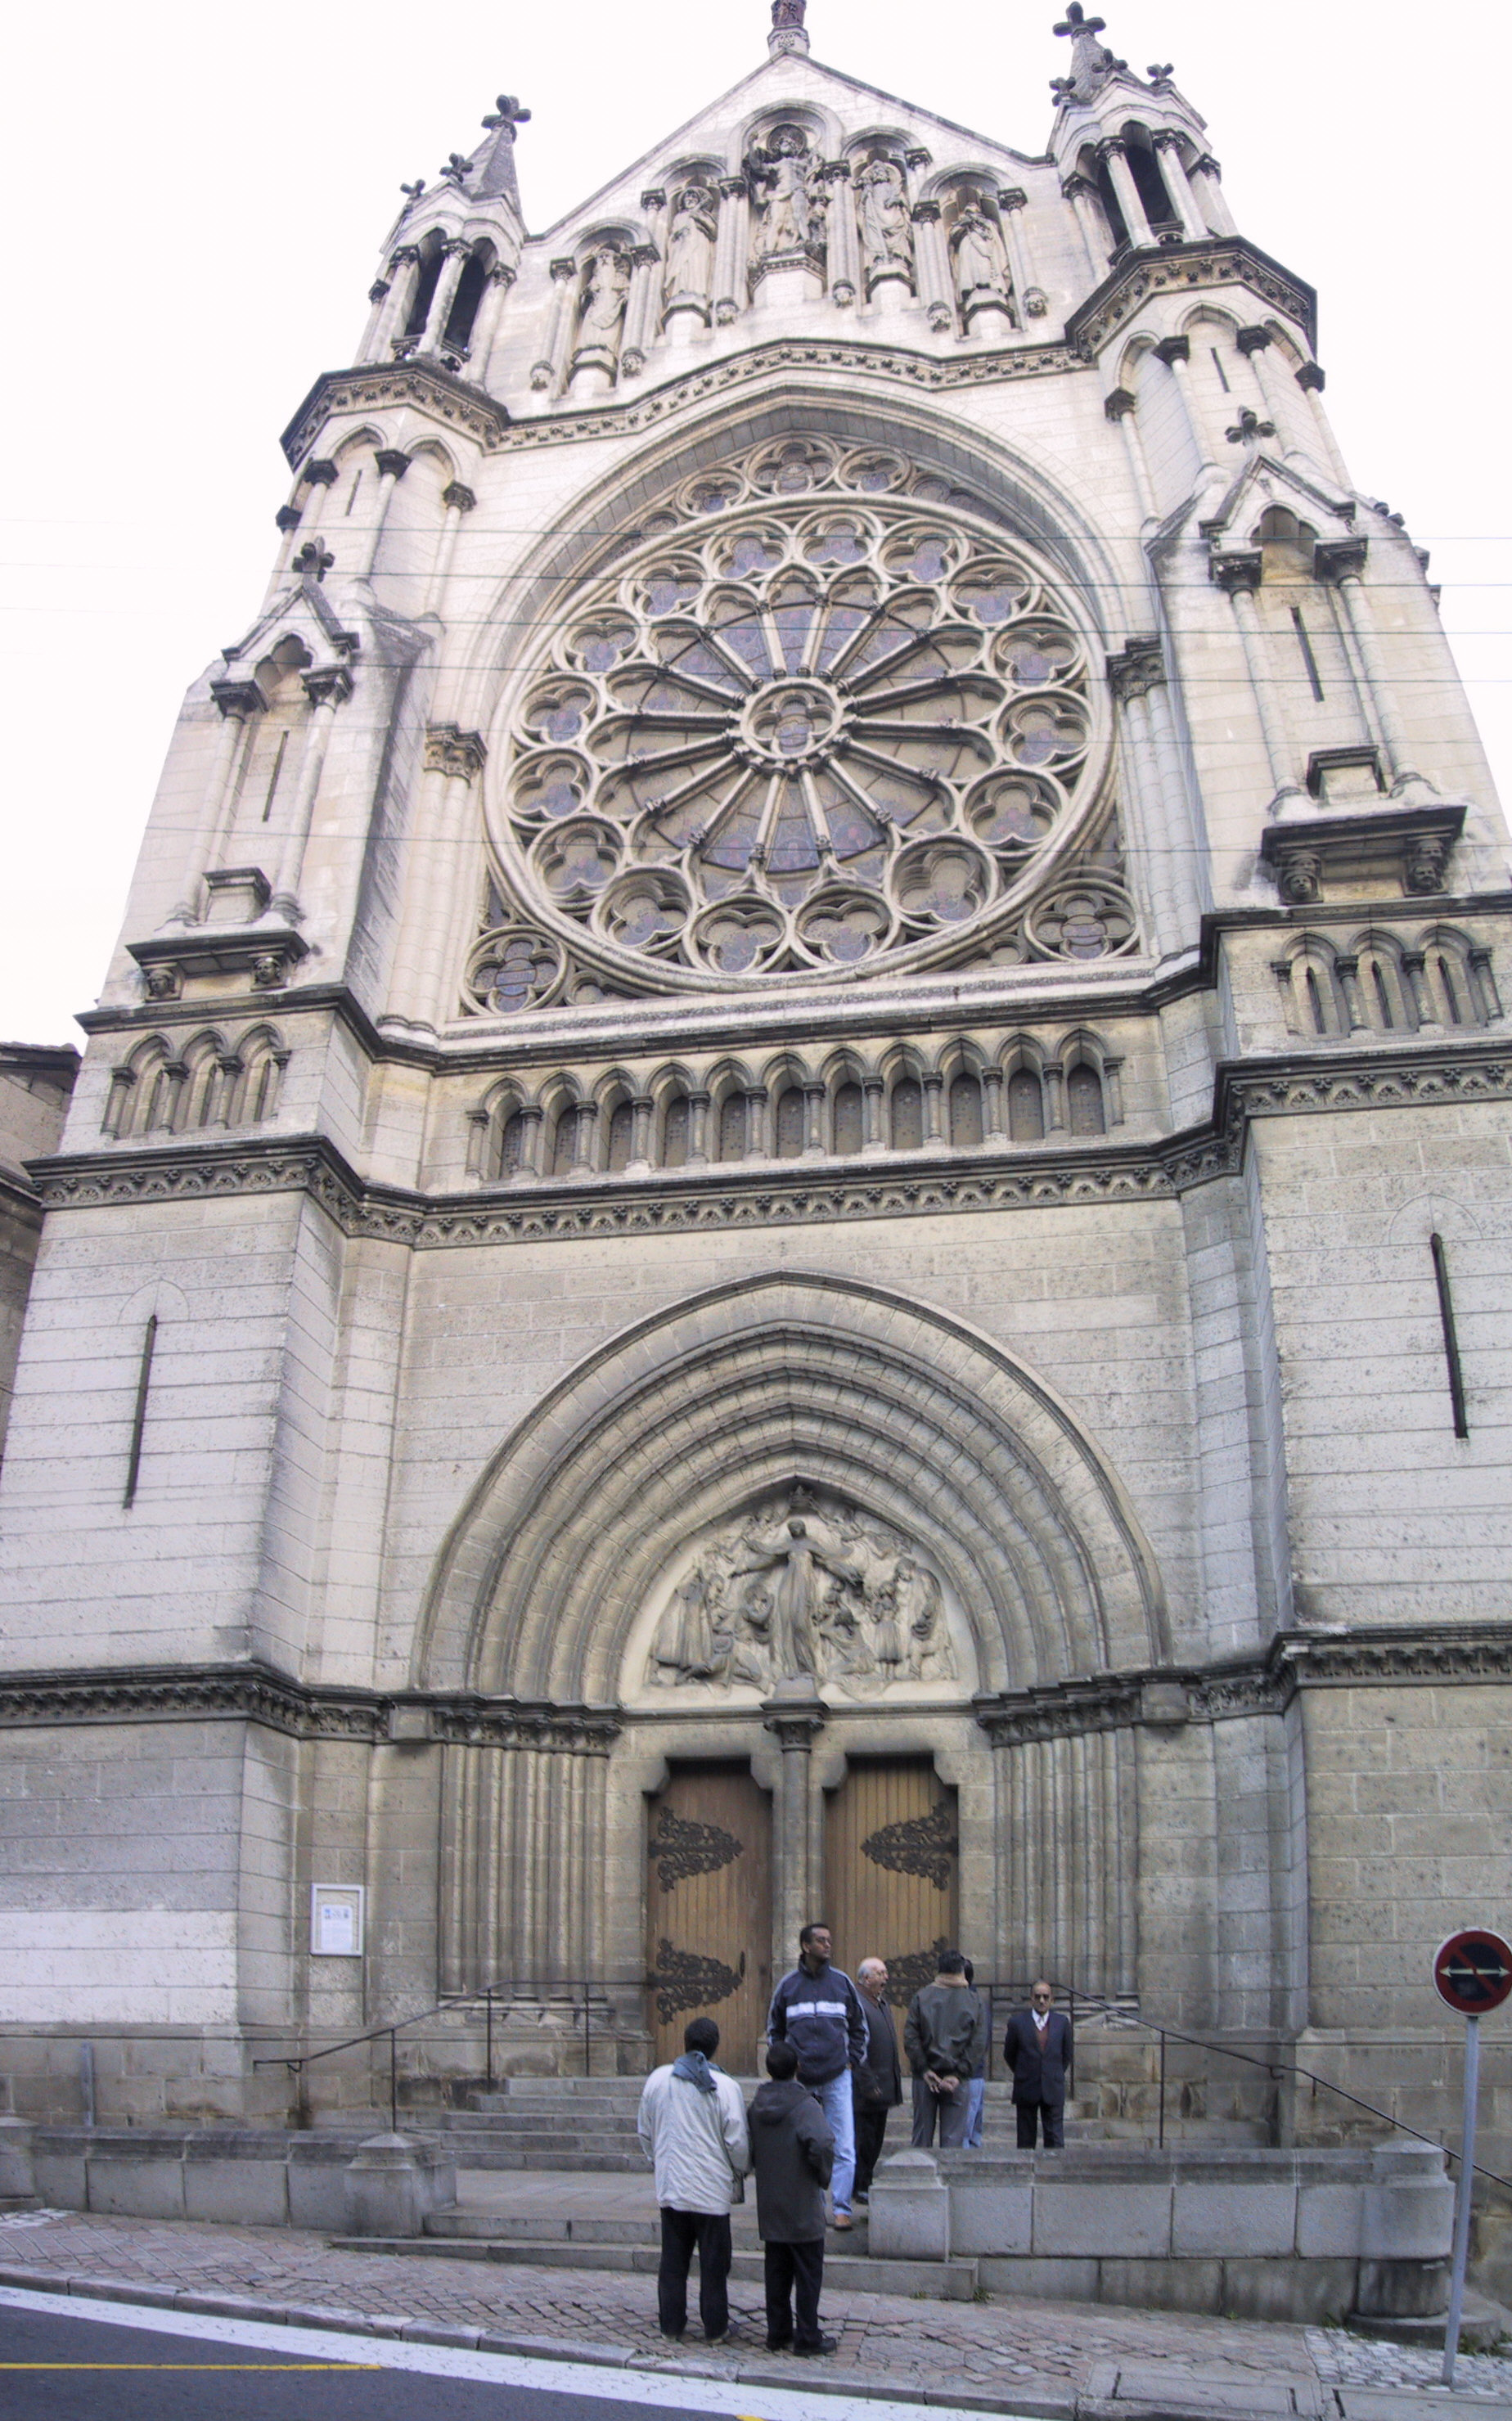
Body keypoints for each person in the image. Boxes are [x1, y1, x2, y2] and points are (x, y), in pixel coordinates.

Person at [637, 2015, 750, 2342]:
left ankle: (671, 2325)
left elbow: (645, 2130)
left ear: (684, 2043)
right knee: (714, 2265)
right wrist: (740, 2169)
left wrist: (659, 2160)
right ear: (715, 2047)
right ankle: (715, 2328)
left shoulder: (658, 2080)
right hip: (711, 2191)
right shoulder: (726, 2087)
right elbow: (737, 2140)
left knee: (673, 2261)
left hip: (673, 2186)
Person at [767, 1921, 866, 2229]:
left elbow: (859, 2027)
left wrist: (852, 2061)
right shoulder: (788, 1986)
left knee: (843, 2144)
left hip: (837, 2075)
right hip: (800, 2081)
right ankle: (810, 2206)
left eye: (829, 1940)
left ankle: (841, 2208)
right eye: (821, 1940)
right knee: (802, 2144)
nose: (827, 1945)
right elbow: (775, 2031)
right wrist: (785, 2067)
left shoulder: (842, 1983)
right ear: (806, 1946)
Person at [749, 2039, 837, 2356]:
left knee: (777, 2272)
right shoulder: (804, 2105)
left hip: (771, 2201)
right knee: (808, 2275)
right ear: (798, 2068)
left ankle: (778, 2332)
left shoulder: (756, 2106)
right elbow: (823, 2143)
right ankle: (808, 2336)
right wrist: (822, 2176)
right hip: (801, 2203)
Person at [904, 1948, 986, 2149]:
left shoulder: (922, 1997)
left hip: (925, 2079)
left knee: (921, 2140)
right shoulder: (974, 2001)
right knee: (953, 2141)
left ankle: (920, 2170)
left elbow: (911, 2037)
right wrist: (959, 2074)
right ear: (961, 1971)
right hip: (956, 2080)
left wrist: (924, 2069)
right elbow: (978, 2043)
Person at [851, 1956, 902, 2201]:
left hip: (883, 2086)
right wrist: (868, 2082)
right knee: (864, 2140)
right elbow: (857, 2049)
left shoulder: (881, 2004)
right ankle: (859, 2185)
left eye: (885, 1973)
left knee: (875, 2139)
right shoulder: (858, 2005)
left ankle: (866, 2180)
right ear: (866, 1978)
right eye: (880, 1973)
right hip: (866, 2090)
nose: (886, 1978)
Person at [1003, 1978, 1073, 2149]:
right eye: (1038, 1996)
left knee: (1055, 2139)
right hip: (1027, 2086)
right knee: (1025, 2140)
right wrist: (1024, 2071)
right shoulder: (1017, 2023)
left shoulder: (1062, 2023)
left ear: (1052, 2000)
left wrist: (1053, 2072)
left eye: (1046, 1997)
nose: (1042, 2001)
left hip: (1052, 2087)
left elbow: (1067, 2054)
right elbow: (1009, 2054)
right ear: (1031, 1999)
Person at [961, 1957, 986, 2147]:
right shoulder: (977, 2001)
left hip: (968, 2073)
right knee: (972, 2130)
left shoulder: (971, 2003)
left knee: (965, 2128)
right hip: (975, 2072)